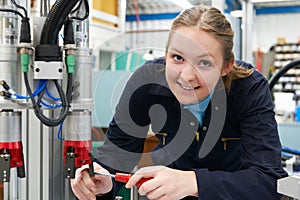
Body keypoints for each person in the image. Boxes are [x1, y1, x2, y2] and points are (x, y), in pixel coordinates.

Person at [71, 5, 288, 200]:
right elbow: (116, 156)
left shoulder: (248, 88)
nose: (186, 76)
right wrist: (103, 180)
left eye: (204, 63)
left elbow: (268, 181)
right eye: (177, 58)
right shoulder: (146, 83)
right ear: (165, 55)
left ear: (226, 66)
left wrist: (193, 182)